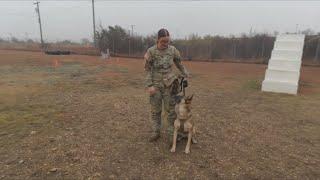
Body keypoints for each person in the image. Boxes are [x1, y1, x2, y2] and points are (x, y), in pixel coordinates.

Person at [144, 28, 189, 142]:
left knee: (171, 111)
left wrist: (185, 73)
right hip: (156, 85)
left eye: (167, 41)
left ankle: (171, 135)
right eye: (163, 41)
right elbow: (148, 69)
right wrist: (150, 85)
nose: (165, 44)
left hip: (170, 85)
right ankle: (156, 132)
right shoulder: (151, 52)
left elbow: (179, 63)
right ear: (157, 40)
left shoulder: (173, 50)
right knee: (156, 110)